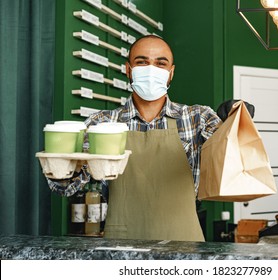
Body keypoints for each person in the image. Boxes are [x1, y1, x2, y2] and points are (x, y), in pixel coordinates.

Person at [48, 34, 254, 241]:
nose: (151, 69)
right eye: (142, 62)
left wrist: (237, 121)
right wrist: (60, 163)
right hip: (121, 243)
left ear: (171, 73)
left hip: (183, 241)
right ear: (128, 69)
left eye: (160, 63)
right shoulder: (102, 123)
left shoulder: (197, 118)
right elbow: (65, 188)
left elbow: (234, 161)